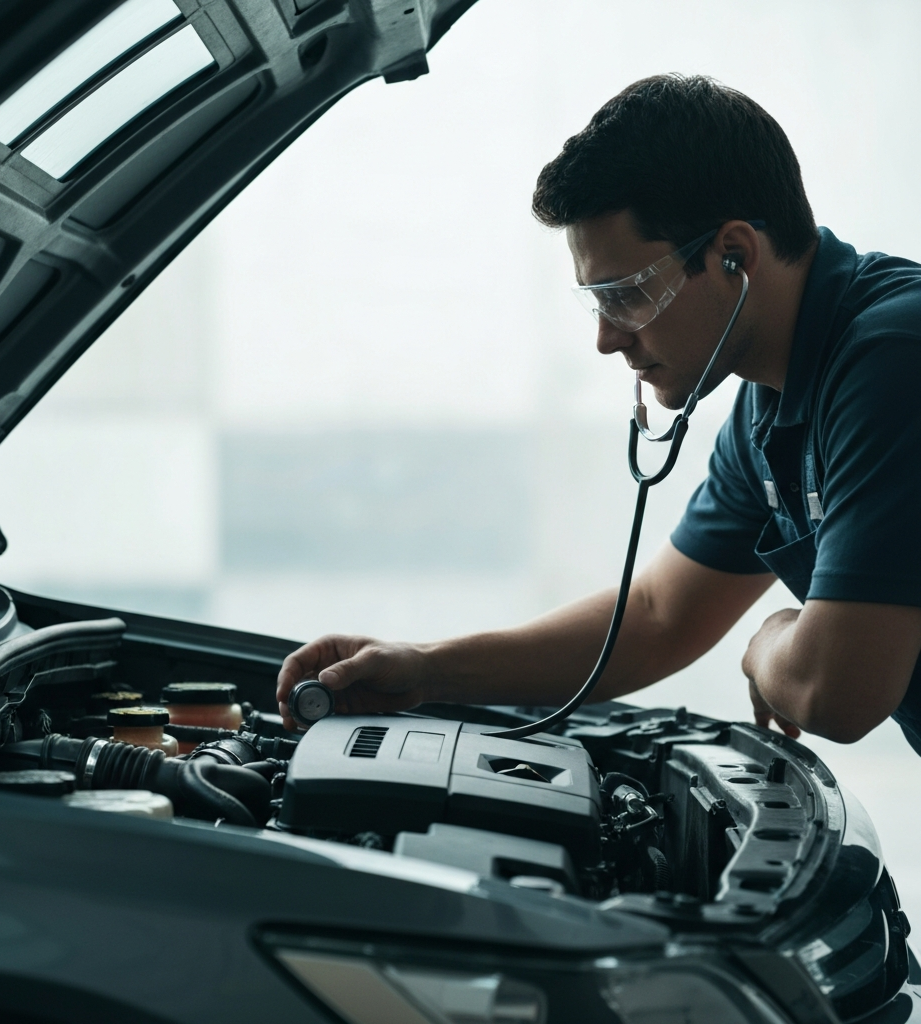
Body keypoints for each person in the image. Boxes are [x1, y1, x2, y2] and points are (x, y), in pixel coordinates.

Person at [276, 74, 921, 754]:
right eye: (597, 304)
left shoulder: (893, 359)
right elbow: (655, 617)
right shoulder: (769, 405)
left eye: (626, 295)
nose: (607, 338)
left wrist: (766, 644)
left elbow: (836, 694)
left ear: (734, 254)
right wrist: (426, 668)